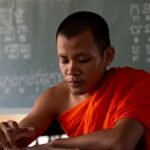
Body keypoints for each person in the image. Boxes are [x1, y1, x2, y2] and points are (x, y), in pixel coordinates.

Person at [0, 11, 150, 150]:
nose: (71, 70)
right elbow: (15, 142)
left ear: (108, 56)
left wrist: (55, 145)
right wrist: (5, 136)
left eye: (83, 60)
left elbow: (121, 141)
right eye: (64, 61)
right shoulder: (56, 97)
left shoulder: (135, 84)